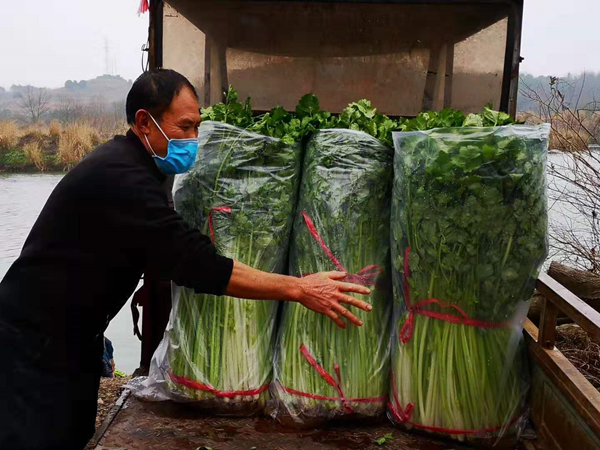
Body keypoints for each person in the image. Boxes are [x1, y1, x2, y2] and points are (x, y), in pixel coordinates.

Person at [0, 69, 372, 450]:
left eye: (198, 127)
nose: (194, 140)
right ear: (145, 122)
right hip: (31, 343)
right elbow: (198, 263)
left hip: (74, 338)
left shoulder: (145, 165)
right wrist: (299, 288)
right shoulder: (122, 177)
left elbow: (155, 246)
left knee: (72, 433)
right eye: (186, 126)